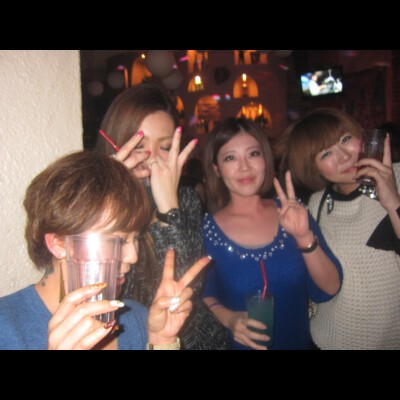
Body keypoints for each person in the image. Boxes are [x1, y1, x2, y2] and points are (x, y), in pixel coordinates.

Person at [0, 151, 210, 350]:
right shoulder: (6, 329)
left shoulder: (135, 318)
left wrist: (161, 341)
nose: (133, 256)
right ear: (58, 244)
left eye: (135, 238)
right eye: (117, 241)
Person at [95, 82, 230, 350]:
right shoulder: (92, 204)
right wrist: (110, 196)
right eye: (138, 145)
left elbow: (188, 288)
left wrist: (168, 207)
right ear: (113, 142)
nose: (152, 159)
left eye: (165, 146)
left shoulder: (186, 199)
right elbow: (101, 291)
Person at [201, 117, 342, 350]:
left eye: (253, 154)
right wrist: (230, 319)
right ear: (216, 169)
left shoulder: (292, 212)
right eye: (230, 158)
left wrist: (303, 236)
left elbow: (330, 287)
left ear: (265, 160)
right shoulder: (207, 231)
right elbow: (202, 294)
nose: (244, 166)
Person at [285, 108, 400, 349]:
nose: (344, 157)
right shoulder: (316, 203)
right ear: (313, 168)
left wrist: (393, 203)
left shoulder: (396, 177)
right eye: (326, 153)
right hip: (330, 338)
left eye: (346, 139)